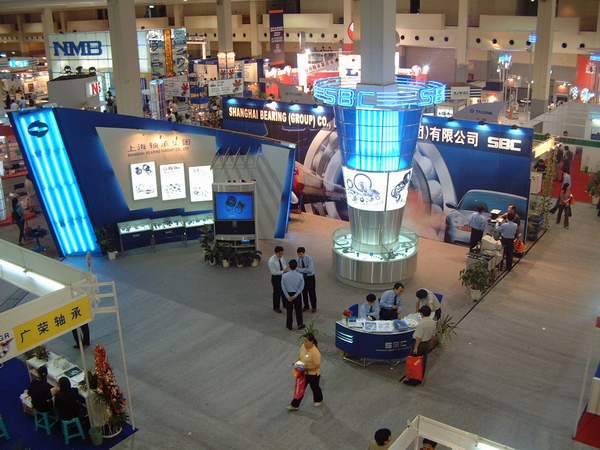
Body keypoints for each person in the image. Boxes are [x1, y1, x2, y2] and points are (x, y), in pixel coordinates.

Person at [404, 305, 436, 386]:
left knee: (415, 362)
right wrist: (430, 343)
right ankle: (420, 378)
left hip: (419, 344)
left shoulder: (421, 323)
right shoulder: (432, 322)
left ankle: (413, 380)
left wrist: (415, 348)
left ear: (422, 313)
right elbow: (433, 335)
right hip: (426, 343)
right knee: (422, 362)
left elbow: (418, 337)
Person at [288, 333, 322, 410]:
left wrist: (306, 368)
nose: (304, 343)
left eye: (306, 341)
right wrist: (297, 363)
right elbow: (300, 357)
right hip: (303, 373)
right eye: (304, 340)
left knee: (315, 388)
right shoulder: (303, 346)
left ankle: (318, 399)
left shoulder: (315, 352)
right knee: (300, 388)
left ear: (311, 341)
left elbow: (317, 366)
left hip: (313, 374)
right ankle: (294, 405)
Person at [281, 259, 305, 330]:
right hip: (297, 295)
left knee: (289, 311)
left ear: (289, 266)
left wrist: (287, 296)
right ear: (296, 266)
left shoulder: (284, 276)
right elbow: (301, 287)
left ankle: (289, 325)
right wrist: (295, 295)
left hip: (288, 294)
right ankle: (300, 324)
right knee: (298, 310)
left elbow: (283, 287)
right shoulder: (300, 276)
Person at [296, 247, 317, 313]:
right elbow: (296, 270)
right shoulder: (297, 259)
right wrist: (304, 270)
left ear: (304, 253)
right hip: (303, 278)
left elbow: (310, 270)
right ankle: (306, 306)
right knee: (304, 292)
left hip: (310, 278)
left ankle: (314, 307)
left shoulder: (309, 259)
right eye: (298, 254)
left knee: (312, 293)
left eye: (301, 254)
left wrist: (300, 269)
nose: (299, 256)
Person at [268, 246, 287, 313]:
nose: (281, 255)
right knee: (277, 293)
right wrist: (283, 271)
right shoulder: (271, 261)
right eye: (280, 254)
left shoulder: (281, 257)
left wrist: (285, 269)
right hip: (276, 278)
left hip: (283, 276)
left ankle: (285, 304)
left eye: (282, 253)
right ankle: (276, 307)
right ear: (276, 253)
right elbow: (273, 272)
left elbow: (284, 264)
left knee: (284, 291)